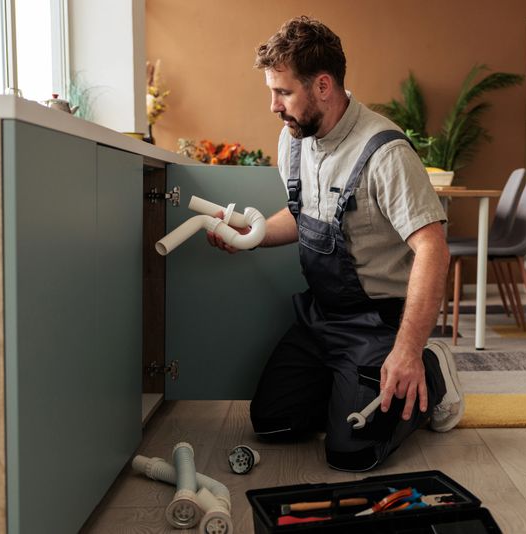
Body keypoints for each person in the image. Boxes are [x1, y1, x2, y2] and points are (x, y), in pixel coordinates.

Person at [208, 15, 463, 472]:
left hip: (379, 323)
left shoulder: (385, 152)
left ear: (323, 86)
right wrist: (254, 235)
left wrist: (405, 351)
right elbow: (302, 213)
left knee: (353, 452)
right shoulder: (295, 138)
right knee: (274, 423)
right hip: (322, 317)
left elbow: (433, 248)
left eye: (282, 91)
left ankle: (432, 372)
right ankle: (349, 382)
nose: (273, 105)